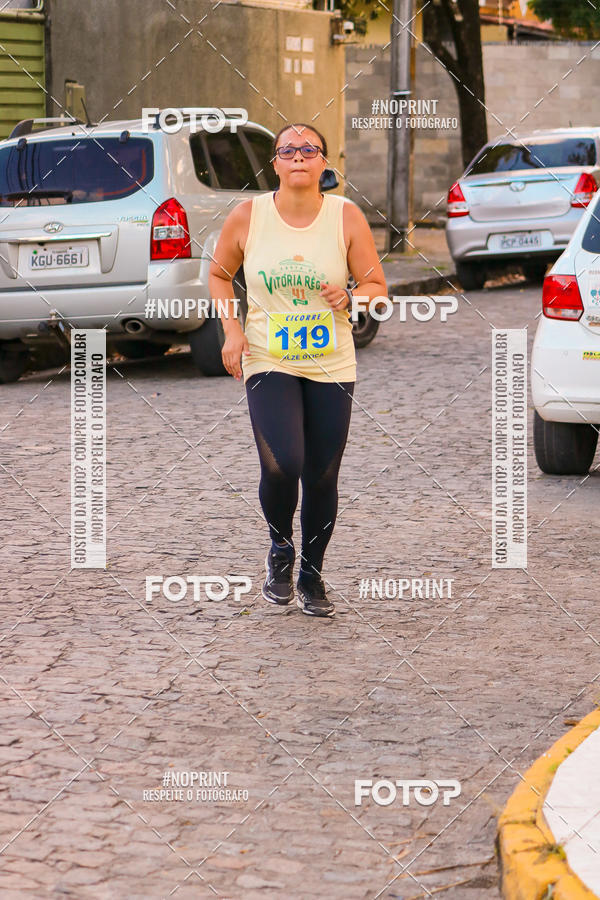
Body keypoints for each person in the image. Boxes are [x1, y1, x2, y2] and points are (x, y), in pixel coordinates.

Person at [209, 123, 387, 617]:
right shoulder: (248, 216)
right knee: (282, 462)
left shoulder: (345, 217)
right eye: (289, 150)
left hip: (332, 362)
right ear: (276, 164)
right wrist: (232, 330)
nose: (299, 158)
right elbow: (220, 275)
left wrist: (353, 296)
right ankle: (280, 548)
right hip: (268, 357)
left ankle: (311, 573)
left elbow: (378, 287)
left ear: (324, 162)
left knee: (323, 474)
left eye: (310, 149)